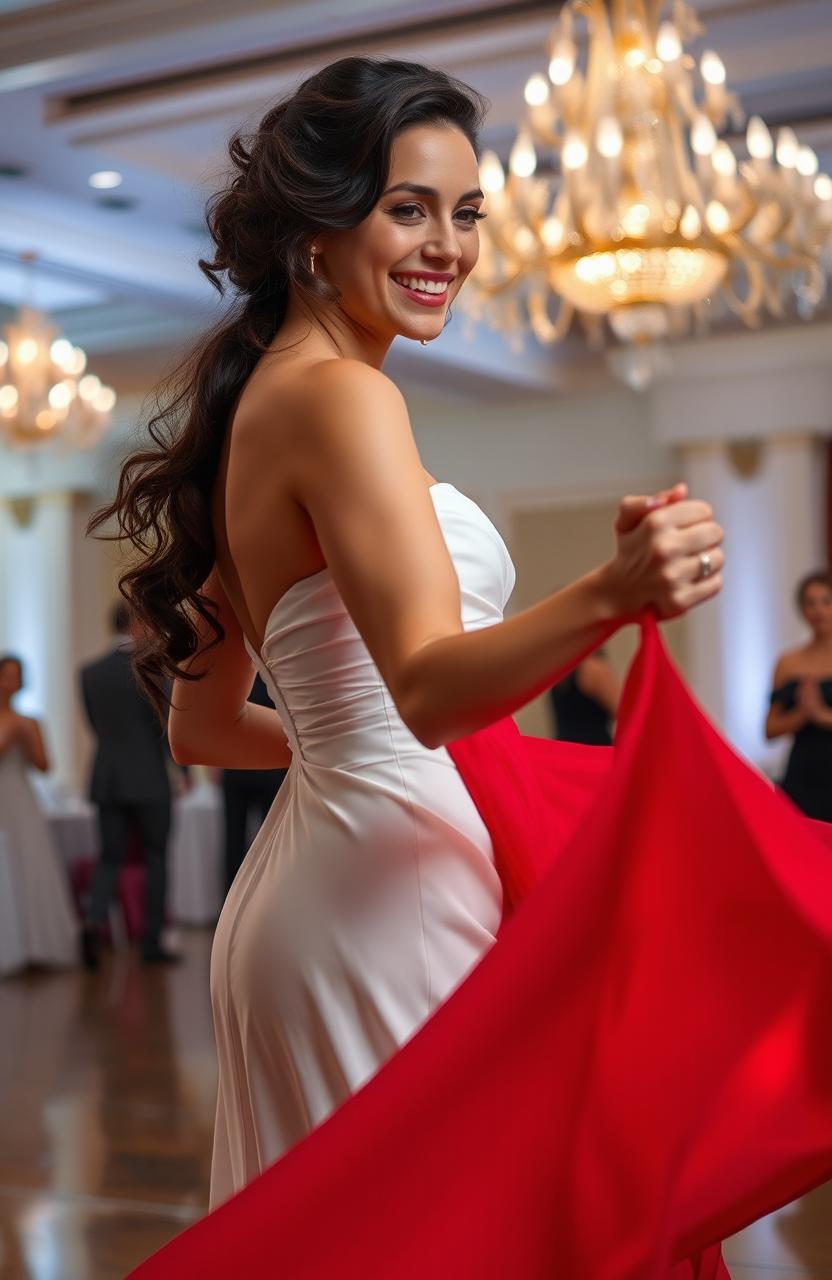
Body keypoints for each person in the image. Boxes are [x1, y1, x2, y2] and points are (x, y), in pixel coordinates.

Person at [90, 58, 832, 1280]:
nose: (448, 244)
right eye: (408, 208)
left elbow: (204, 731)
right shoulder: (342, 400)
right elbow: (429, 688)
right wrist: (610, 594)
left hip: (317, 884)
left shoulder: (264, 405)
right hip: (388, 889)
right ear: (316, 233)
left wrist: (357, 747)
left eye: (468, 211)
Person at [79, 603, 179, 967]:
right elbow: (164, 727)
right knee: (156, 858)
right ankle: (151, 944)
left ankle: (92, 924)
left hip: (108, 777)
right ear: (136, 624)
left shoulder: (88, 674)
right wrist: (179, 773)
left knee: (109, 857)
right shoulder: (152, 670)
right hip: (150, 778)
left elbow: (95, 726)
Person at [0, 654, 77, 970]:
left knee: (28, 863)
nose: (12, 681)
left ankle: (32, 946)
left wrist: (29, 739)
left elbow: (45, 766)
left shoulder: (29, 721)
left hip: (20, 797)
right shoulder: (12, 724)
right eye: (7, 675)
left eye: (17, 675)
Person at [766, 569, 832, 820]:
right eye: (810, 603)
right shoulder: (789, 663)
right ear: (802, 610)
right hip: (804, 774)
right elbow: (770, 728)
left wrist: (821, 715)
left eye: (826, 601)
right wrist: (803, 714)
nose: (819, 611)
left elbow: (819, 714)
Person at [220, 674, 287, 894]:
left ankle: (230, 901)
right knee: (270, 843)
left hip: (237, 765)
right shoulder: (273, 669)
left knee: (234, 842)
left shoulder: (235, 671)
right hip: (268, 765)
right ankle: (268, 897)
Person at [549, 649, 620, 746]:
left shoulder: (558, 668)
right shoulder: (592, 668)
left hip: (564, 749)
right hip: (593, 750)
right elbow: (624, 712)